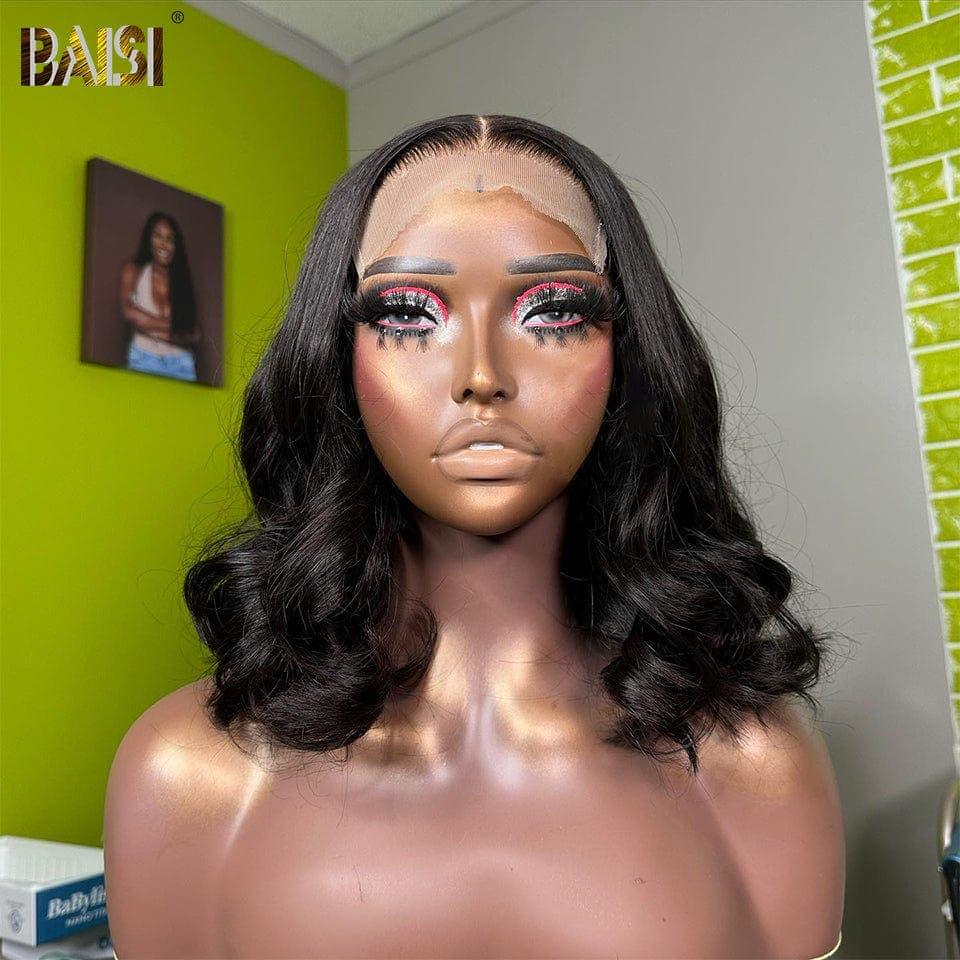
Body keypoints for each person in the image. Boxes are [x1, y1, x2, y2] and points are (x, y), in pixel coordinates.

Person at [104, 115, 844, 958]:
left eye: (552, 311)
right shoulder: (189, 779)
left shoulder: (754, 767)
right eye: (409, 313)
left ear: (626, 356)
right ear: (338, 360)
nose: (481, 376)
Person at [118, 211, 201, 382]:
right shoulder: (134, 270)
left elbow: (195, 334)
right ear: (149, 239)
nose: (164, 244)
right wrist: (176, 327)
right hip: (143, 357)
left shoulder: (182, 280)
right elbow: (129, 313)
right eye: (158, 236)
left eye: (170, 239)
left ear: (176, 246)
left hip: (182, 363)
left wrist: (148, 325)